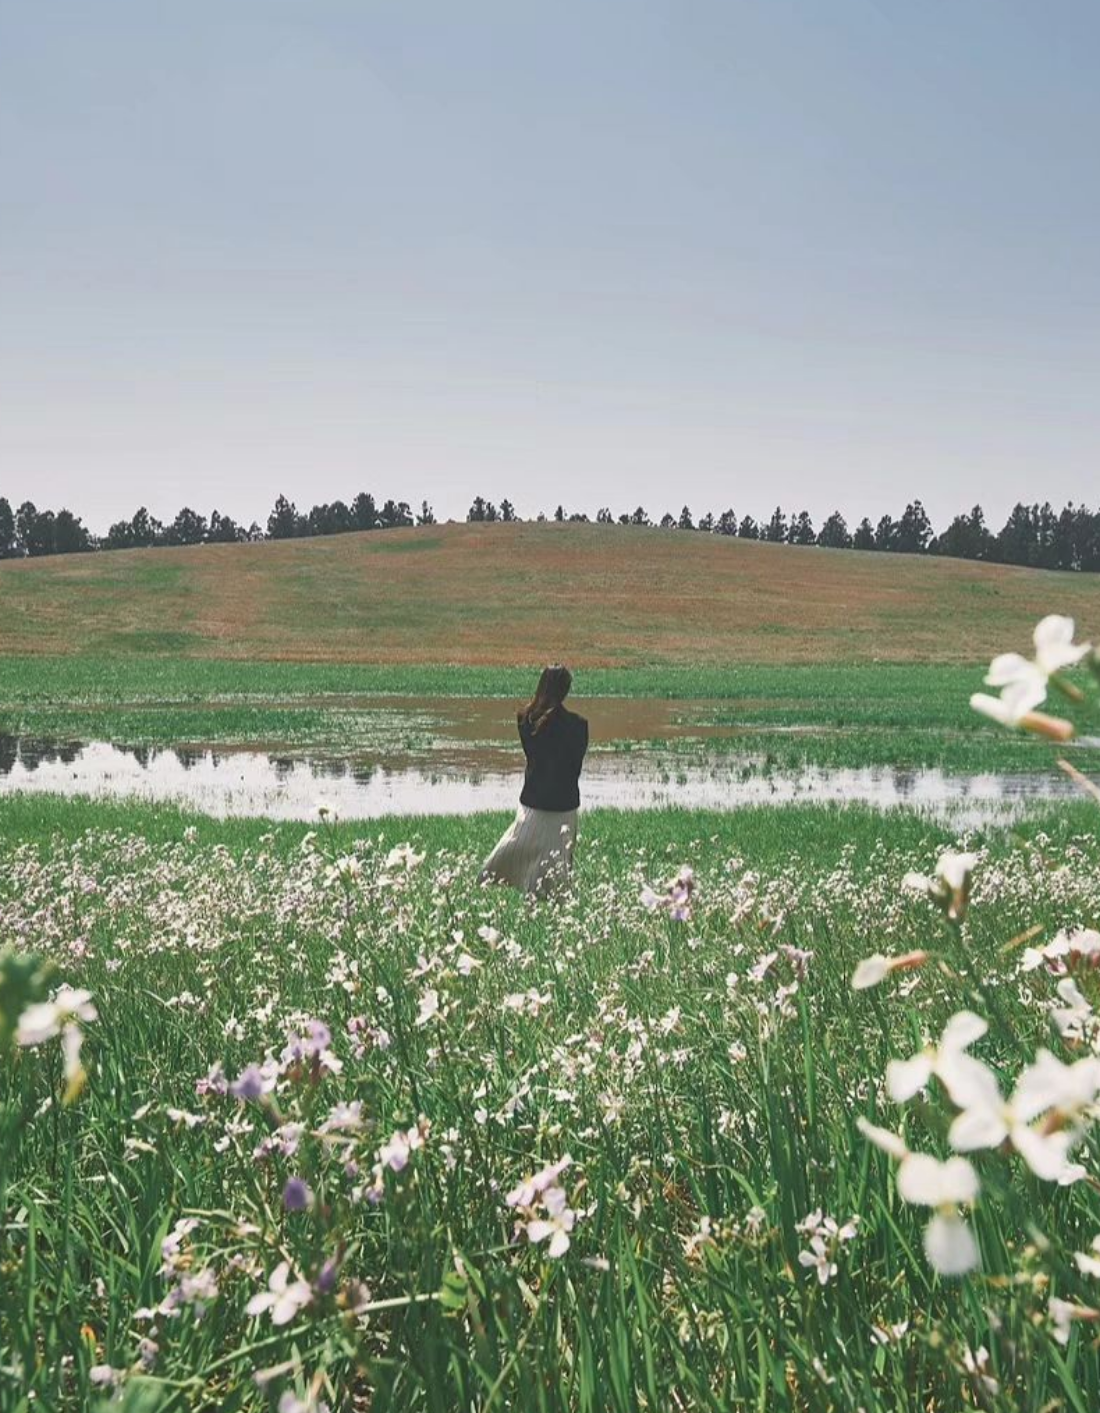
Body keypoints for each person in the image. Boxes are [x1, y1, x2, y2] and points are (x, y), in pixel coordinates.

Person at [480, 664, 588, 897]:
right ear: (565, 690)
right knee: (557, 863)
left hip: (533, 801)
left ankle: (502, 883)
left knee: (516, 847)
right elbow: (575, 765)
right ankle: (546, 899)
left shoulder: (525, 721)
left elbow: (534, 757)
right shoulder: (579, 725)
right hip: (564, 803)